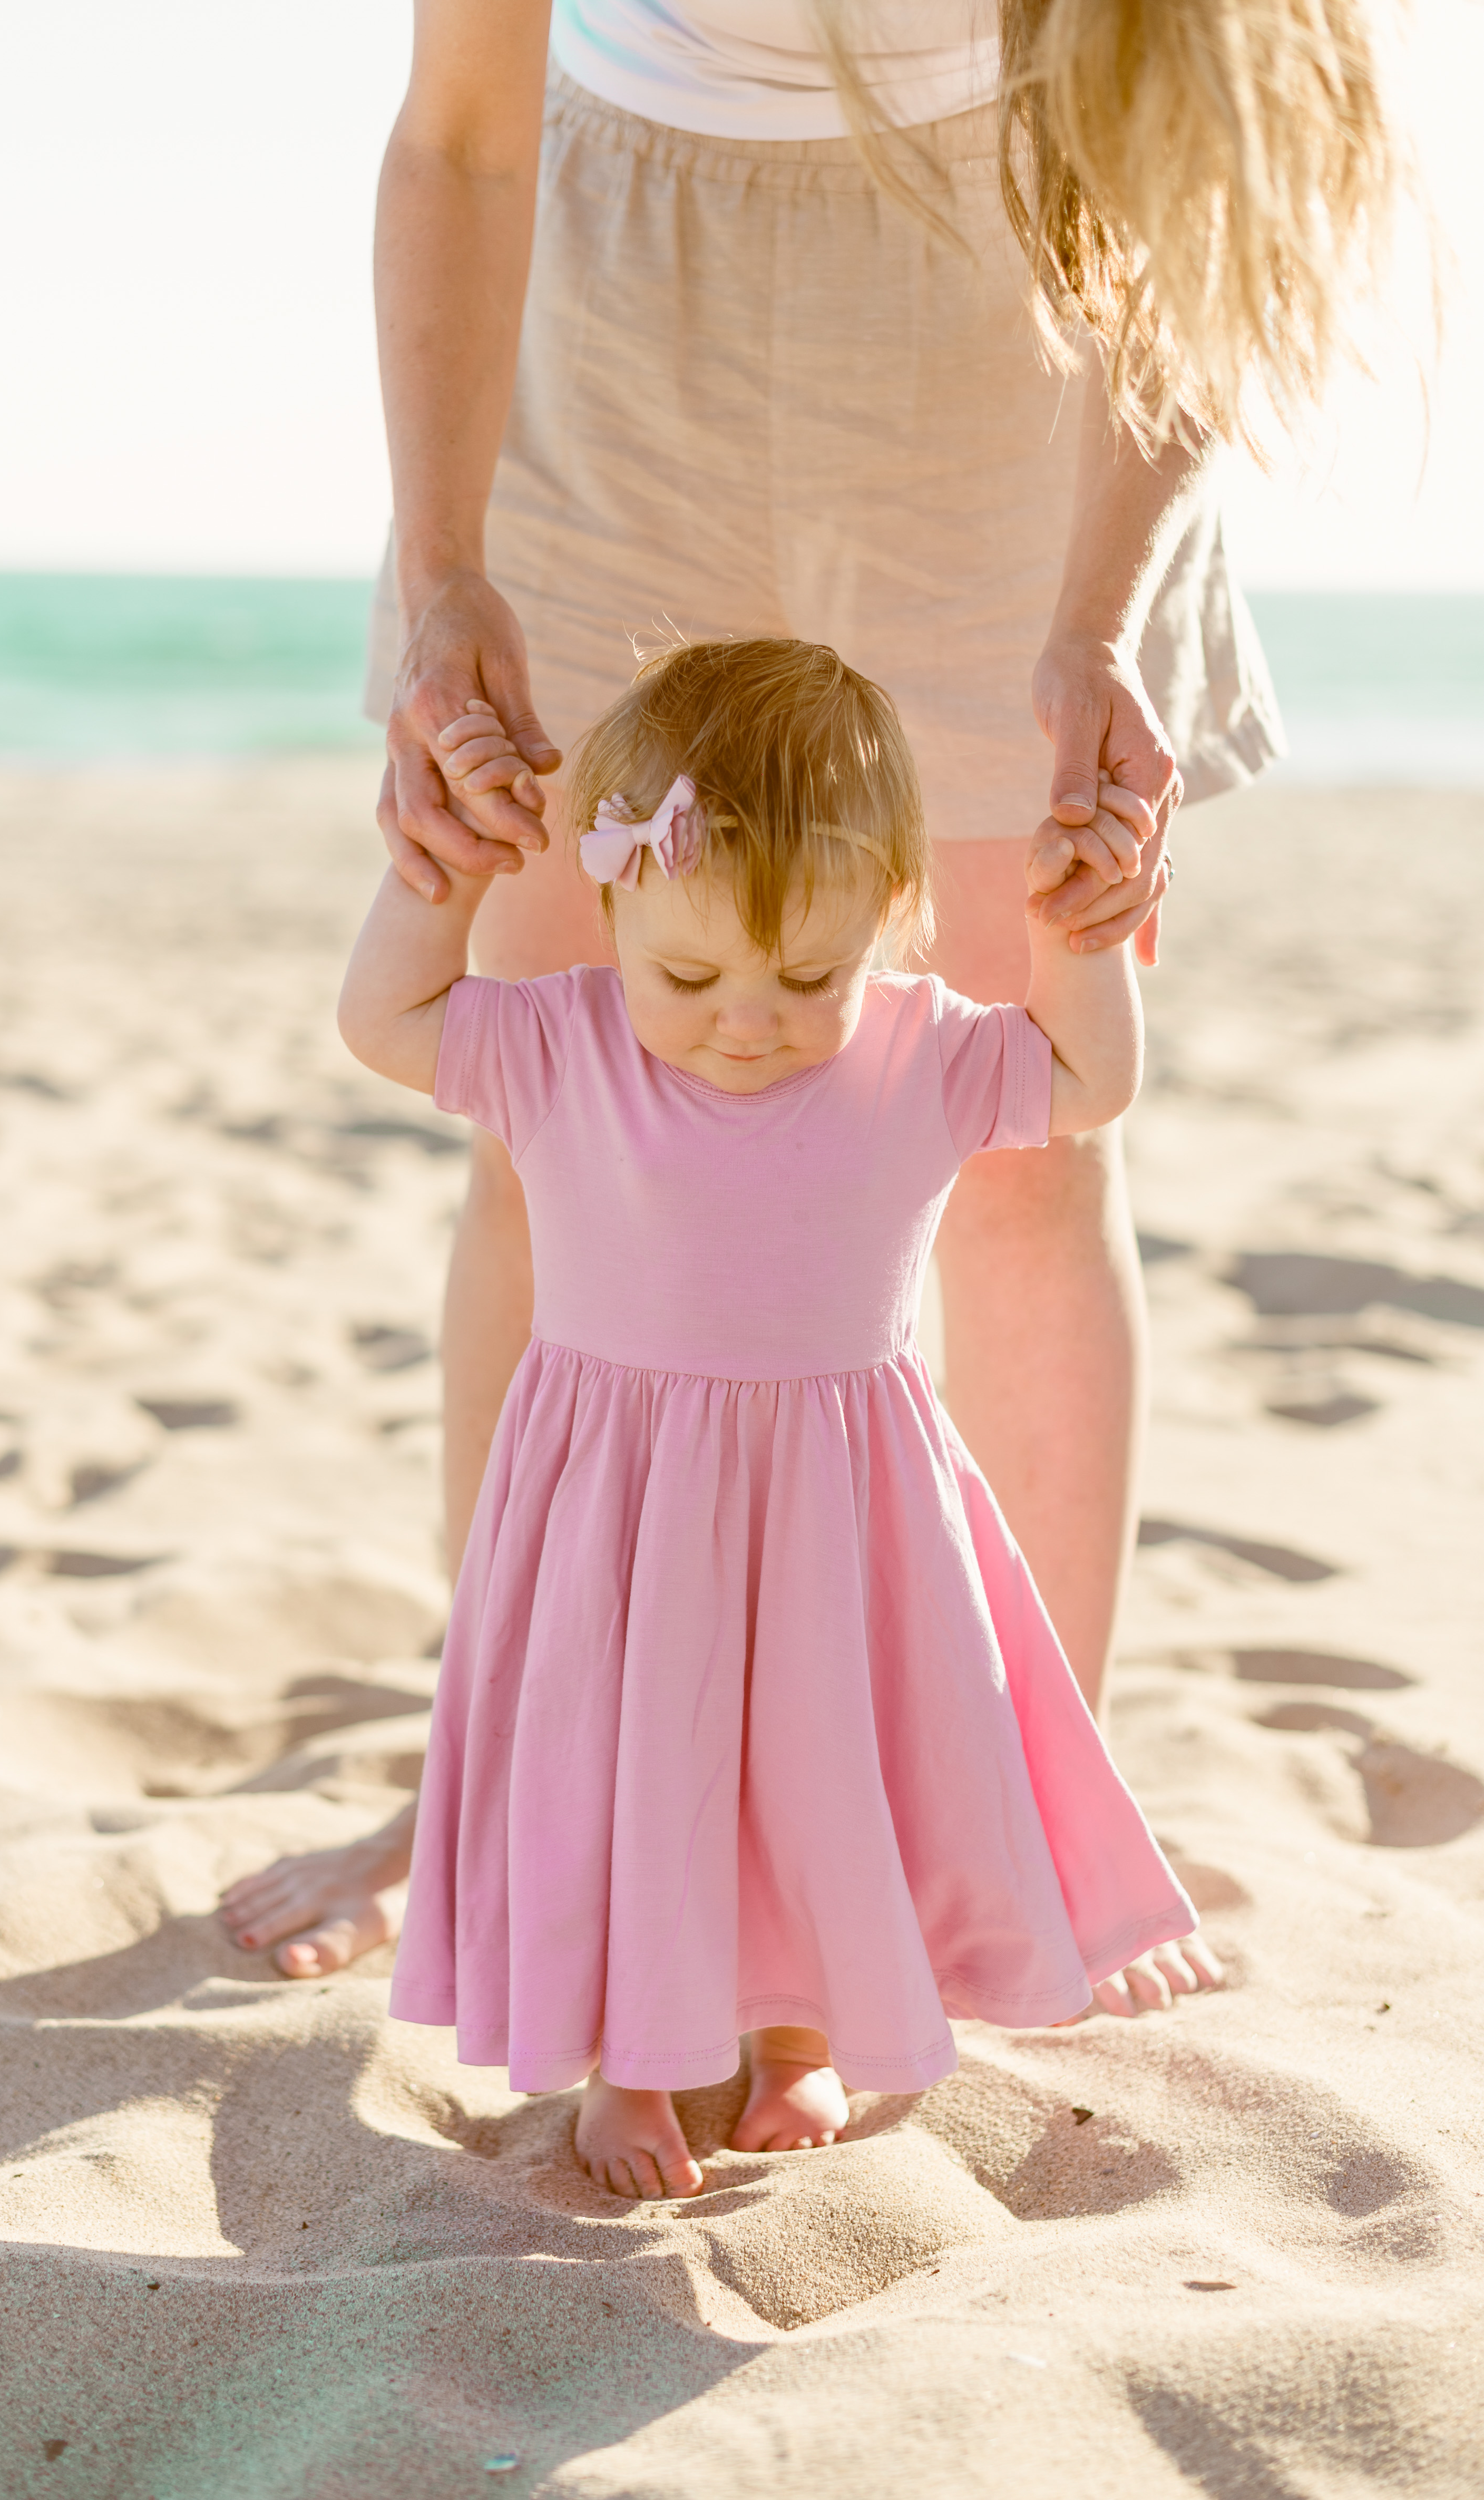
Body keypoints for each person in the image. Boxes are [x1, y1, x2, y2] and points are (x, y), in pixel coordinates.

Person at [220, 0, 1404, 2006]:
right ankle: (515, 1802)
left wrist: (1091, 625)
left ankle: (1018, 1816)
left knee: (1002, 1140)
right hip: (605, 298)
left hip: (1030, 274)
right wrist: (445, 578)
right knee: (567, 1132)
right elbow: (464, 139)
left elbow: (1215, 169)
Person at [329, 635, 1195, 2199]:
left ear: (890, 919)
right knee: (631, 1764)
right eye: (689, 973)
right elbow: (383, 1022)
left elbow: (1083, 1081)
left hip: (837, 1501)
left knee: (820, 1764)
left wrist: (1078, 931)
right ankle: (632, 2077)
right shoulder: (562, 1040)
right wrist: (435, 879)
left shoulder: (916, 1050)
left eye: (808, 975)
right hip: (620, 1503)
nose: (745, 1020)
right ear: (612, 910)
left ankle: (799, 2049)